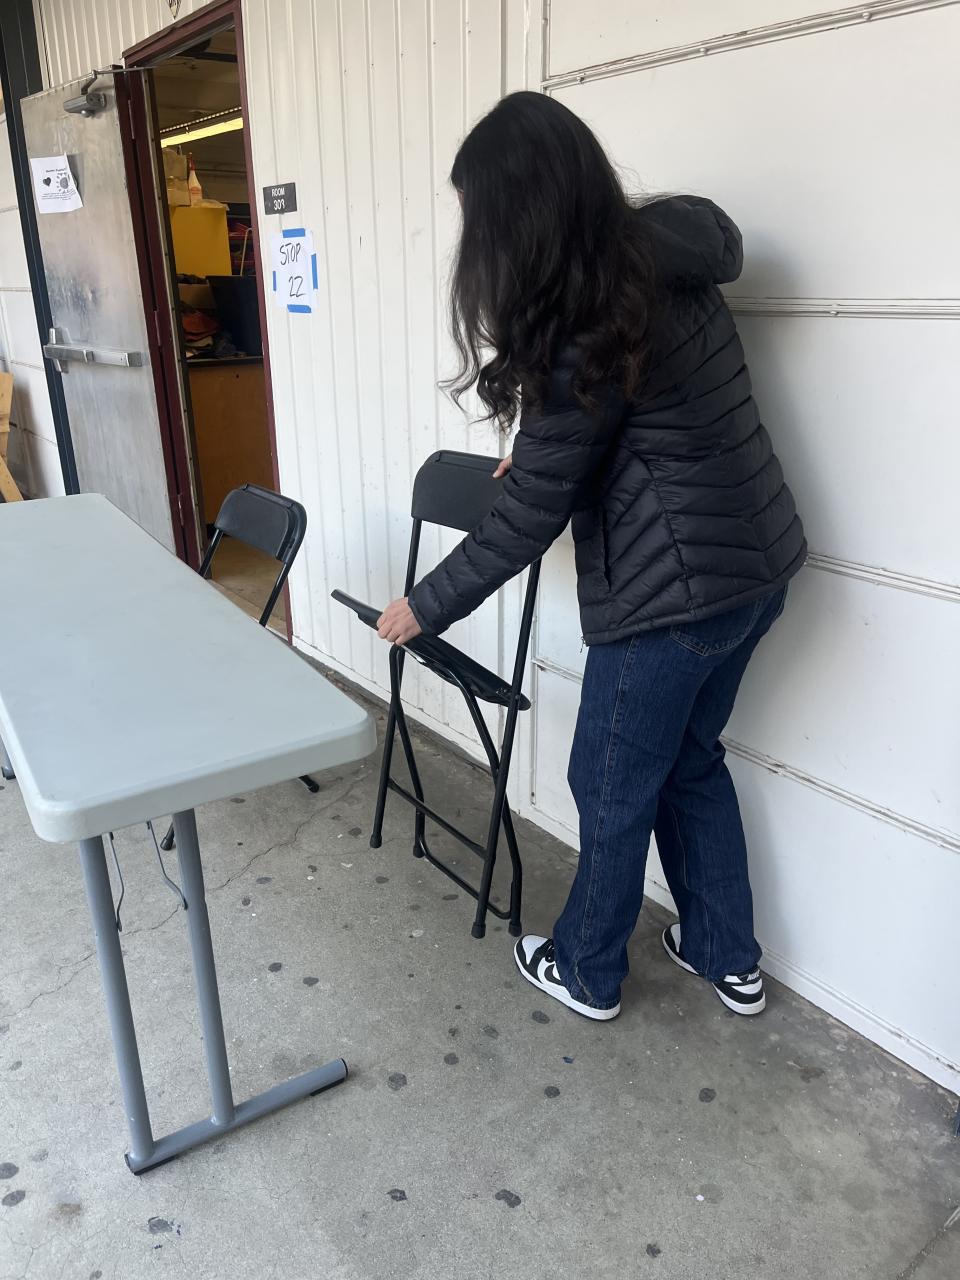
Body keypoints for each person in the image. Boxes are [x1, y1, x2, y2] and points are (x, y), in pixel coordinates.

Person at [376, 91, 806, 1022]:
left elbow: (529, 515)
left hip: (671, 601)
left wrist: (424, 605)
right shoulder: (660, 263)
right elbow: (646, 428)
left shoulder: (582, 324)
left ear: (520, 214)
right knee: (691, 761)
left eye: (479, 216)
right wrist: (544, 450)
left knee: (609, 785)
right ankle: (725, 954)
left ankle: (586, 970)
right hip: (755, 570)